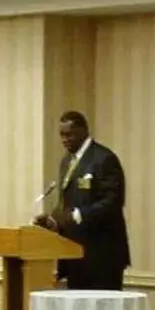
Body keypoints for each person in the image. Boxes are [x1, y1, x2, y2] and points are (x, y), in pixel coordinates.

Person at [35, 109, 129, 290]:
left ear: (83, 131)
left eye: (69, 134)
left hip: (102, 255)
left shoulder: (103, 159)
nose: (64, 140)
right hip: (74, 254)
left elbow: (113, 202)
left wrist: (79, 215)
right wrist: (53, 222)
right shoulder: (67, 161)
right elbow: (67, 203)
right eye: (61, 135)